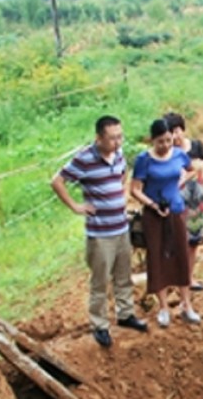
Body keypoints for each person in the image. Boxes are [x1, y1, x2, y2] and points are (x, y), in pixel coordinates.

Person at [51, 115, 147, 348]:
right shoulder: (84, 159)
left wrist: (117, 195)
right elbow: (57, 181)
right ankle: (100, 325)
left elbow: (122, 174)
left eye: (120, 136)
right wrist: (76, 206)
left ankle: (125, 314)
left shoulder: (119, 154)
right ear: (99, 138)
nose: (117, 142)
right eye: (112, 138)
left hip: (121, 227)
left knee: (123, 276)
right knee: (100, 281)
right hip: (100, 232)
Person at [130, 119, 198, 328]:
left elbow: (192, 169)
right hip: (154, 215)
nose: (166, 145)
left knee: (181, 255)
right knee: (157, 257)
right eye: (161, 142)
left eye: (169, 140)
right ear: (152, 140)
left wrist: (179, 184)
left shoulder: (178, 154)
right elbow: (135, 189)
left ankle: (186, 304)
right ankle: (163, 307)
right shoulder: (144, 160)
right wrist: (152, 204)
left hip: (176, 211)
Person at [163, 112, 203, 291]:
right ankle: (176, 277)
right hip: (174, 202)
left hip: (195, 200)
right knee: (176, 241)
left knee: (193, 241)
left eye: (177, 131)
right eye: (171, 132)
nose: (175, 136)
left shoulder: (196, 147)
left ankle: (188, 278)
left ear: (183, 130)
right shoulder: (167, 153)